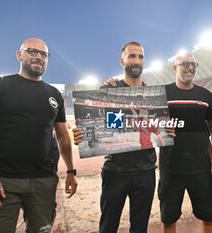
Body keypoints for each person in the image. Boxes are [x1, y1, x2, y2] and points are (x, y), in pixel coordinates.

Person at [0, 38, 79, 233]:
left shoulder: (54, 94)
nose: (38, 56)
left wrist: (71, 171)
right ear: (19, 55)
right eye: (32, 51)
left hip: (44, 181)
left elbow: (63, 136)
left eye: (44, 54)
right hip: (3, 180)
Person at [73, 41, 174, 233]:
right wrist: (81, 136)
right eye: (132, 56)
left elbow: (157, 130)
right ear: (122, 61)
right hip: (115, 171)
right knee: (108, 226)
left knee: (139, 228)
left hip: (145, 171)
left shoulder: (154, 97)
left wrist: (167, 131)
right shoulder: (108, 91)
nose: (137, 60)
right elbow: (96, 129)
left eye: (141, 56)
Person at [158, 53, 212, 233]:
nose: (190, 67)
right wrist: (159, 128)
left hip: (201, 169)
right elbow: (146, 124)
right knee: (168, 220)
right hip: (170, 169)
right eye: (185, 64)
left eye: (193, 64)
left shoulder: (205, 95)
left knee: (209, 217)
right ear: (175, 68)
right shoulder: (161, 93)